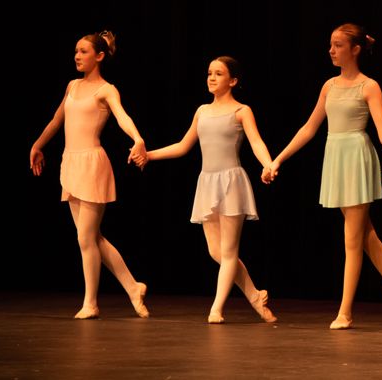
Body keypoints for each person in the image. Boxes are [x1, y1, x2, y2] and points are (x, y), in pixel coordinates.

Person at [265, 24, 382, 330]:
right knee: (366, 238)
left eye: (338, 45)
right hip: (335, 157)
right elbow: (309, 128)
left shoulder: (369, 86)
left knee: (352, 240)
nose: (331, 50)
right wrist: (277, 159)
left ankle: (345, 312)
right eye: (331, 45)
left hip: (356, 158)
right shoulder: (329, 86)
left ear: (355, 49)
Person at [145, 56, 277, 324]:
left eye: (219, 74)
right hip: (207, 182)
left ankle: (216, 308)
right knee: (216, 252)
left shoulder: (242, 111)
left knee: (229, 251)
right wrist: (149, 155)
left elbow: (256, 142)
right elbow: (183, 146)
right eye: (209, 73)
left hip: (231, 182)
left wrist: (268, 164)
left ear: (233, 80)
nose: (212, 78)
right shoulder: (202, 111)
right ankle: (255, 296)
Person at [29, 30, 150, 320]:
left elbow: (122, 116)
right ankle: (133, 287)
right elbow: (57, 120)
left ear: (99, 55)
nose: (77, 56)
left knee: (85, 238)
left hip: (93, 164)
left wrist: (138, 139)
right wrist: (37, 145)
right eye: (75, 51)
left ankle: (91, 303)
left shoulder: (107, 90)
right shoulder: (71, 86)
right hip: (70, 163)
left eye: (83, 51)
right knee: (92, 237)